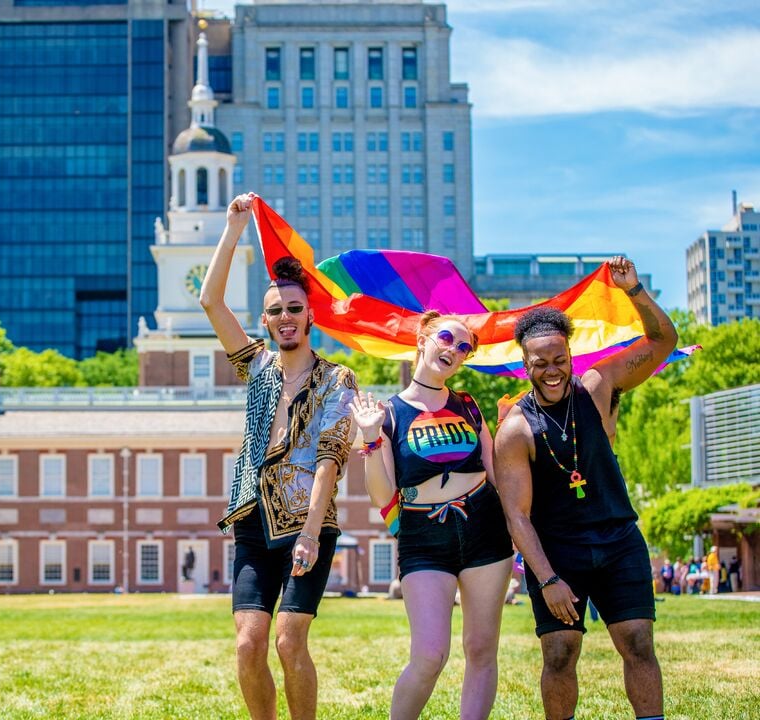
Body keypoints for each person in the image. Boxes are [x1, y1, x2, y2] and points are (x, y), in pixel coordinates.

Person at [494, 256, 678, 720]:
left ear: (571, 356)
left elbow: (662, 340)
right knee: (559, 653)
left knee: (638, 643)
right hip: (558, 551)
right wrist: (548, 578)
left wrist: (634, 290)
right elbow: (516, 514)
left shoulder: (599, 387)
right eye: (541, 363)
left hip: (618, 540)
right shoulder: (515, 429)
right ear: (525, 364)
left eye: (560, 360)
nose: (552, 370)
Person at [200, 192, 358, 720]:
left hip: (307, 522)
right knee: (248, 645)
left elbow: (331, 459)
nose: (285, 317)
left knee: (290, 642)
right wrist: (233, 229)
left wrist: (311, 534)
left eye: (294, 308)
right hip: (252, 519)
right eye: (275, 311)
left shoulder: (337, 379)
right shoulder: (257, 367)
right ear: (265, 321)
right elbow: (210, 302)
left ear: (309, 315)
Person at [350, 311, 513, 720]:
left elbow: (497, 475)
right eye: (446, 338)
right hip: (423, 538)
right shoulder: (387, 414)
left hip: (484, 529)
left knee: (480, 648)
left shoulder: (469, 407)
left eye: (463, 348)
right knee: (429, 654)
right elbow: (384, 496)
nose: (453, 350)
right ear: (422, 340)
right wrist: (370, 439)